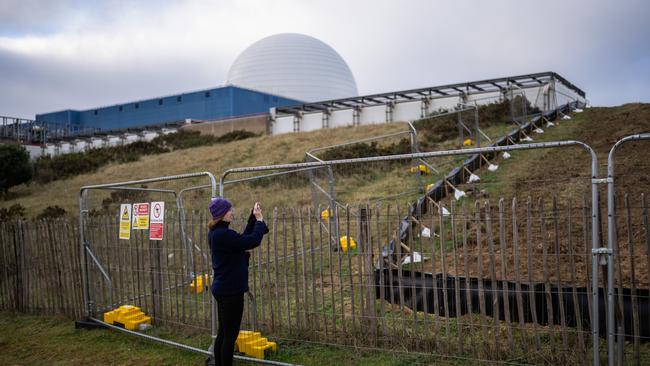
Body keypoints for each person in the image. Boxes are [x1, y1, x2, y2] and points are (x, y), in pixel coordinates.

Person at [206, 197, 268, 366]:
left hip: (222, 289)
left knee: (223, 333)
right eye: (229, 210)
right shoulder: (223, 235)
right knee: (230, 336)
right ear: (221, 214)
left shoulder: (217, 233)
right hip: (230, 292)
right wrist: (260, 221)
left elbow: (240, 241)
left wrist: (252, 219)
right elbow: (252, 241)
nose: (231, 212)